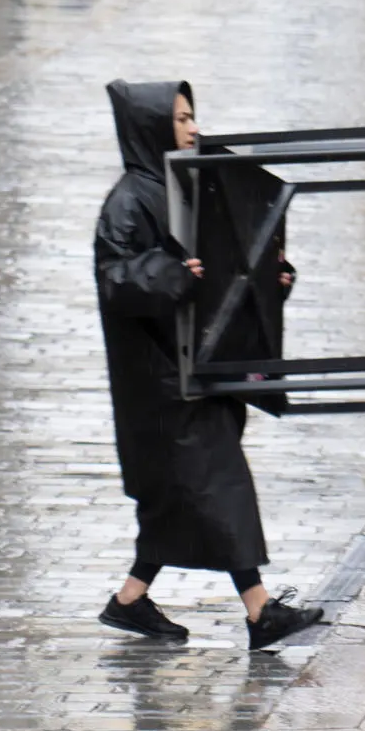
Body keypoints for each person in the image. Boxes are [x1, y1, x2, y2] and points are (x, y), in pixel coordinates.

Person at [94, 80, 324, 650]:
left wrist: (269, 281)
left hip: (200, 368)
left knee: (178, 497)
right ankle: (259, 610)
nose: (193, 128)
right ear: (153, 127)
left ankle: (129, 601)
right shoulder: (129, 200)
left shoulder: (189, 185)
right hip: (163, 383)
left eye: (192, 116)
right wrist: (170, 275)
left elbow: (222, 262)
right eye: (180, 119)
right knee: (222, 485)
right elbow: (115, 278)